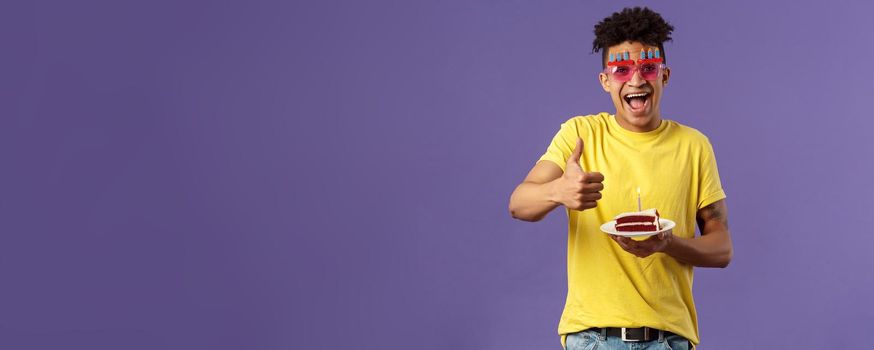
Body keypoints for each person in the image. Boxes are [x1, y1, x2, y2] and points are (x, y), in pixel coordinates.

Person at [508, 7, 733, 350]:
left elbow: (722, 249)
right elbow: (519, 204)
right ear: (605, 81)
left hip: (669, 340)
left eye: (648, 68)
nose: (636, 80)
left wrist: (668, 244)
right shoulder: (580, 134)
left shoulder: (695, 146)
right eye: (622, 70)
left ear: (665, 75)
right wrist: (559, 191)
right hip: (593, 338)